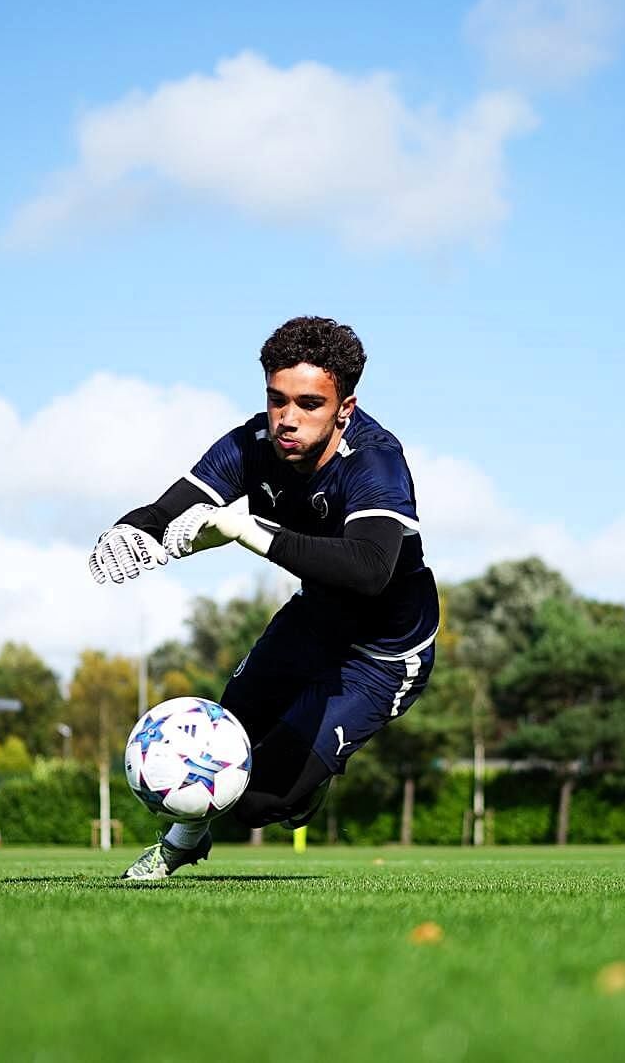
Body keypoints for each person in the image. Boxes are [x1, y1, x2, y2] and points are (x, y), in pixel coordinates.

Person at [88, 316, 437, 880]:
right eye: (277, 400)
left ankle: (303, 791)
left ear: (344, 408)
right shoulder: (252, 444)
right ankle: (181, 846)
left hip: (382, 655)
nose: (287, 420)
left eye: (308, 404)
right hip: (313, 623)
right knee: (220, 735)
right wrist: (133, 531)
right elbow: (167, 510)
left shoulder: (376, 460)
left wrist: (249, 531)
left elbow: (371, 570)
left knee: (257, 802)